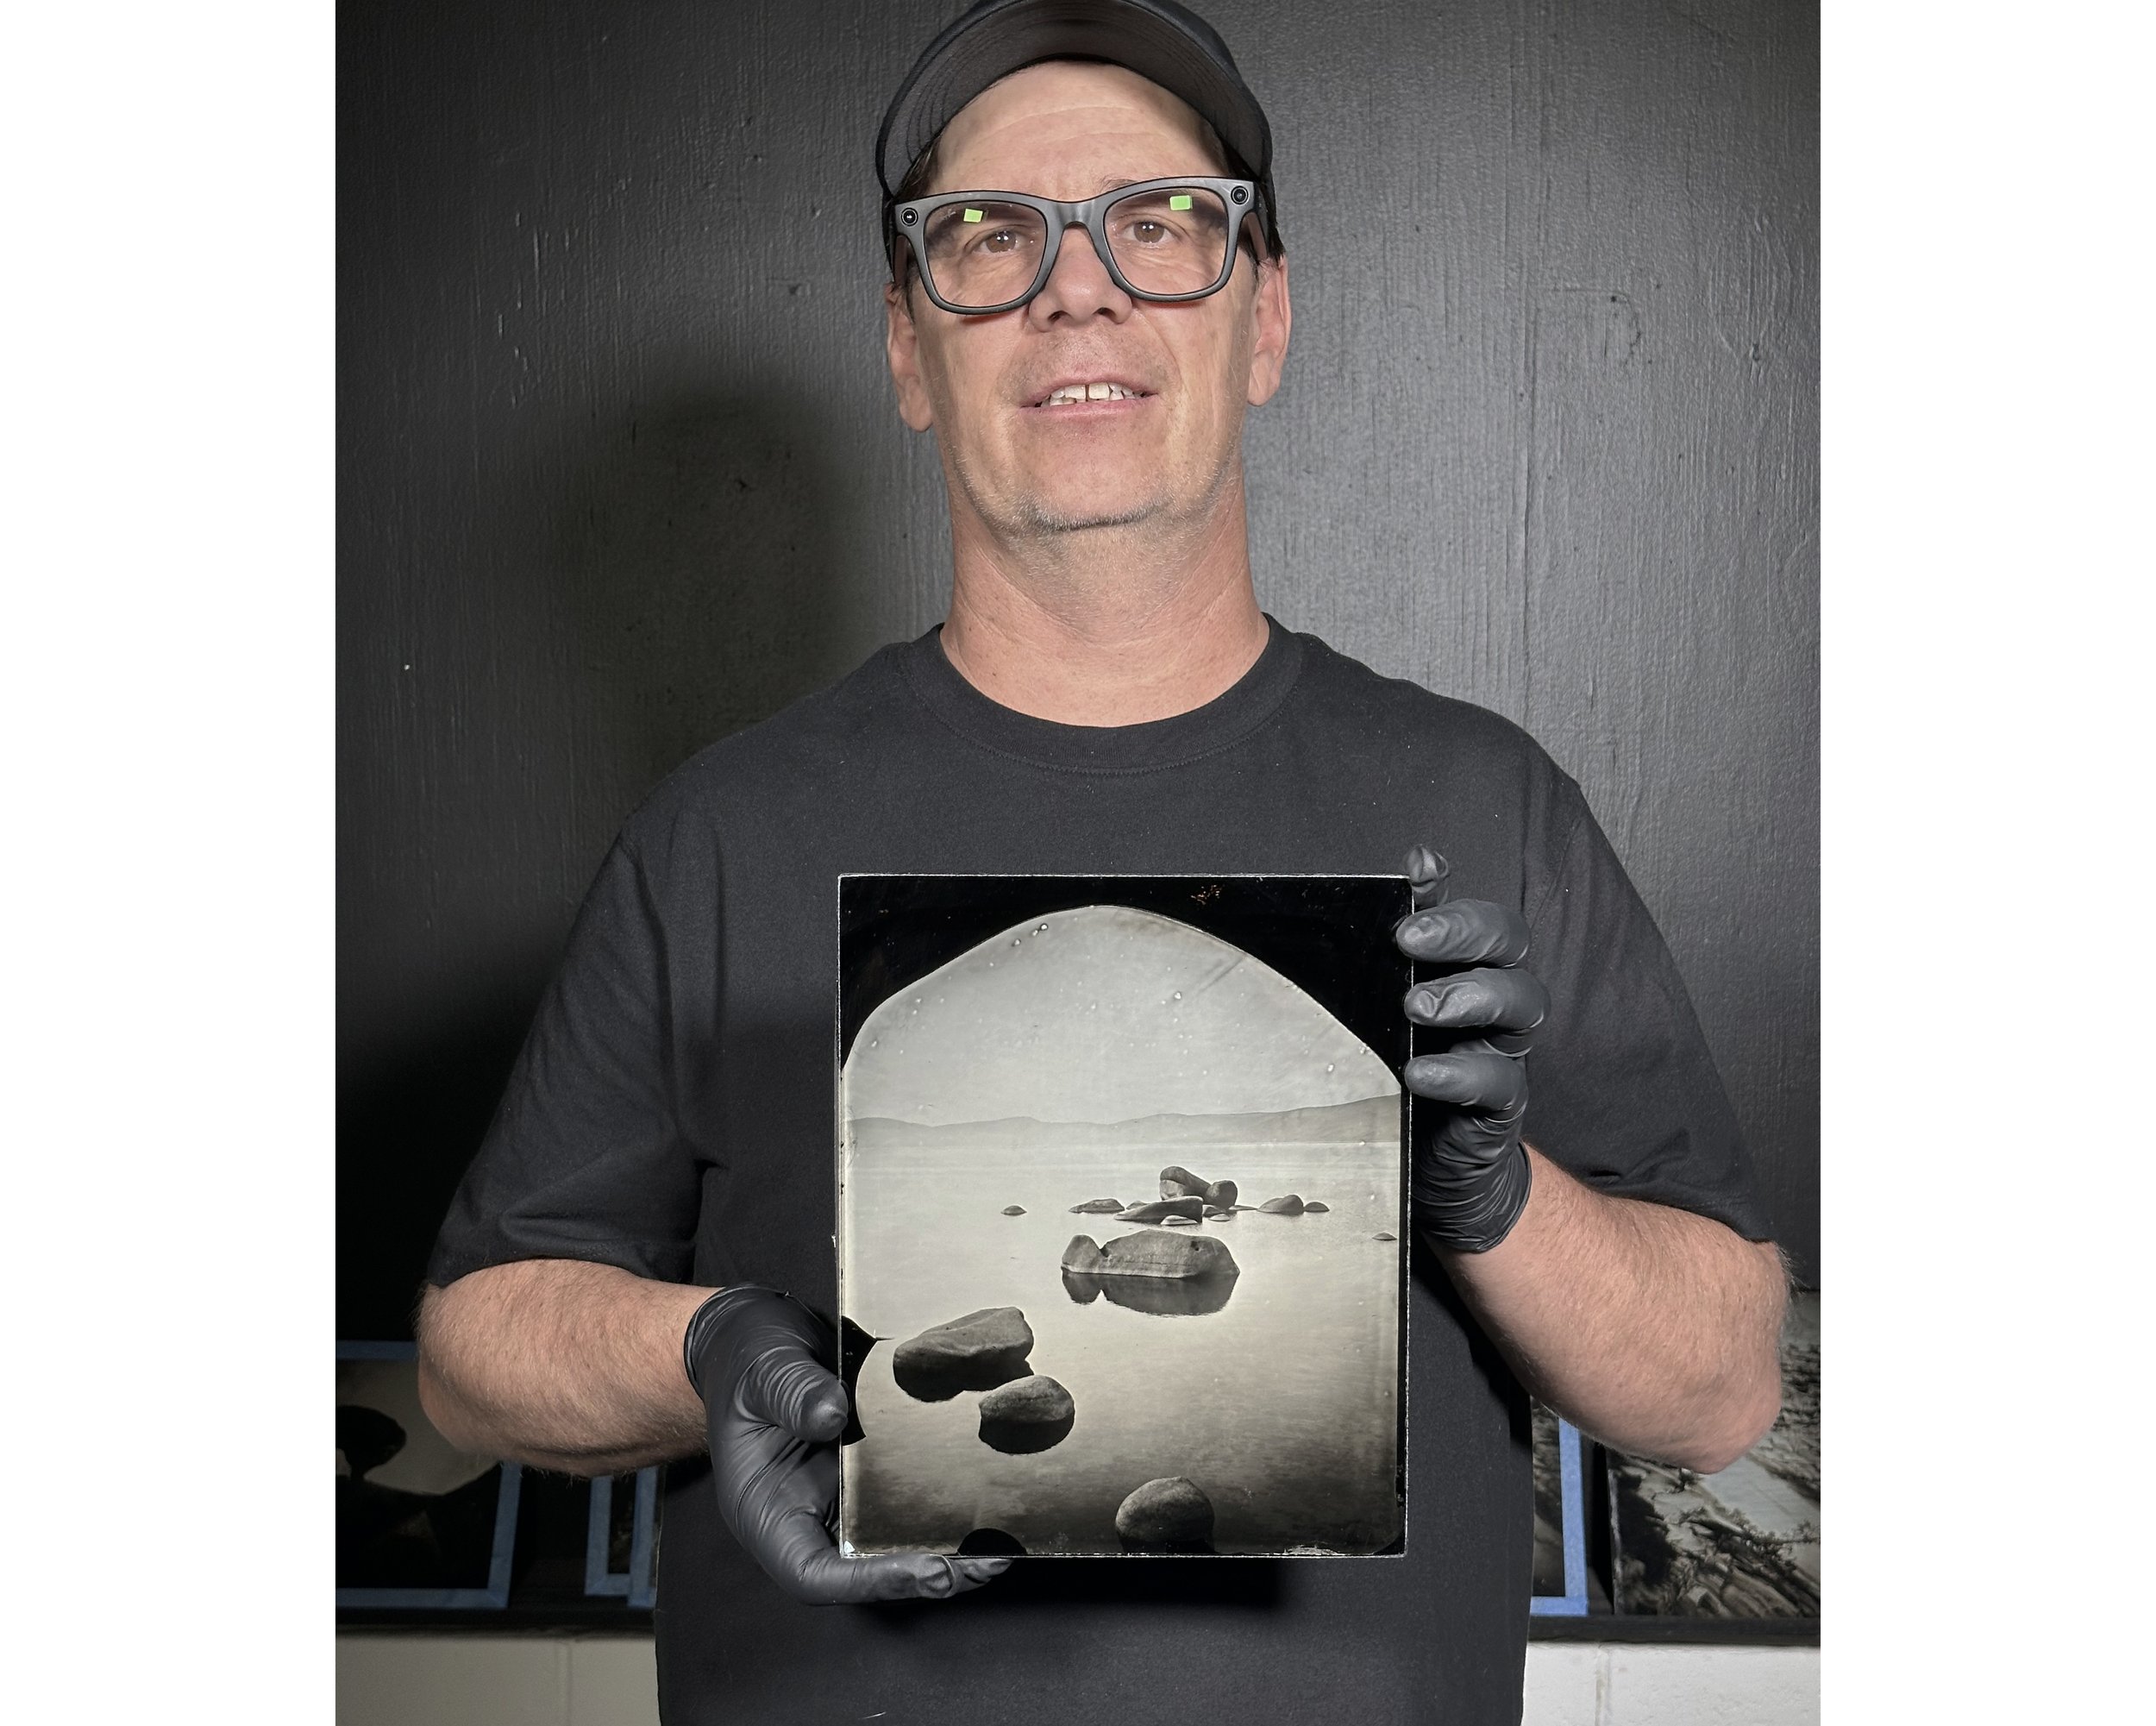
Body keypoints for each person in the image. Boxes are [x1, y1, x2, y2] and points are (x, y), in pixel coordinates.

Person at [415, 1, 1787, 1719]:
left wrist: (1497, 1202)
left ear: (1265, 316)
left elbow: (1719, 1385)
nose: (1078, 286)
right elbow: (474, 1355)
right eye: (984, 236)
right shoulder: (718, 830)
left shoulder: (1477, 802)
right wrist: (702, 1346)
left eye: (1159, 222)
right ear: (908, 349)